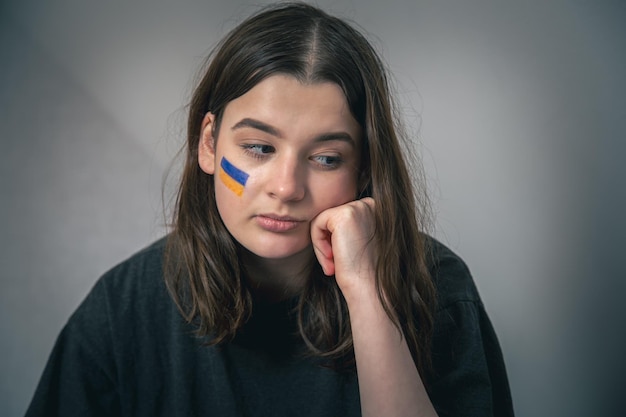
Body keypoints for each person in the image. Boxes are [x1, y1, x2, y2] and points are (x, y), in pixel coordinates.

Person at [25, 2, 514, 416]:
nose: (286, 188)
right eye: (259, 148)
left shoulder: (438, 287)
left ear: (364, 169)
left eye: (326, 158)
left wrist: (367, 292)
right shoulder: (123, 309)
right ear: (210, 144)